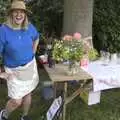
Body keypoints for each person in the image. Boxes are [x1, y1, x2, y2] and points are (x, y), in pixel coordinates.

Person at [0, 0, 40, 120]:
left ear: (25, 14)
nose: (19, 15)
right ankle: (4, 115)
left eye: (21, 12)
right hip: (14, 70)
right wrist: (1, 73)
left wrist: (33, 52)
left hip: (29, 66)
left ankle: (24, 116)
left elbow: (36, 37)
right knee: (17, 101)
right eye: (16, 12)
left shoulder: (28, 27)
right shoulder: (3, 30)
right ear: (11, 14)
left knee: (28, 93)